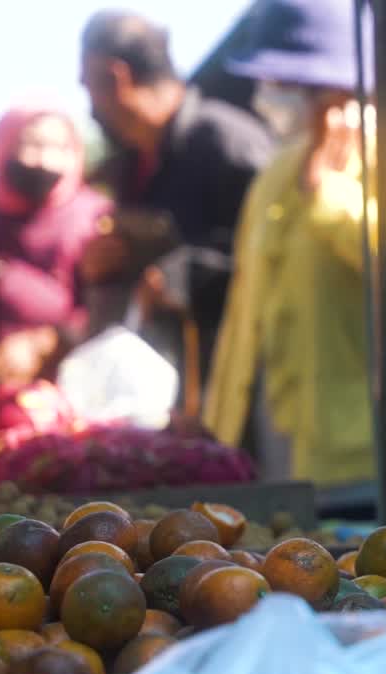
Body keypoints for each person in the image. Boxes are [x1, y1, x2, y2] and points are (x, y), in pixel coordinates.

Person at [203, 0, 386, 506]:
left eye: (282, 81)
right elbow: (245, 318)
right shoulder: (276, 170)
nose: (267, 94)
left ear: (332, 87)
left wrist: (329, 195)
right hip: (289, 462)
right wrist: (215, 429)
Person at [79, 10, 273, 393]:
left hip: (242, 388)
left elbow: (276, 258)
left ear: (117, 76)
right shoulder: (131, 165)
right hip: (172, 387)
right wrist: (108, 265)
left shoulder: (227, 142)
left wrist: (186, 277)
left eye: (88, 87)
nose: (90, 106)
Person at [0, 100, 112, 394]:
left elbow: (107, 311)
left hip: (62, 379)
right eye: (32, 145)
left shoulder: (95, 218)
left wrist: (44, 343)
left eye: (59, 148)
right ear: (3, 145)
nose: (44, 160)